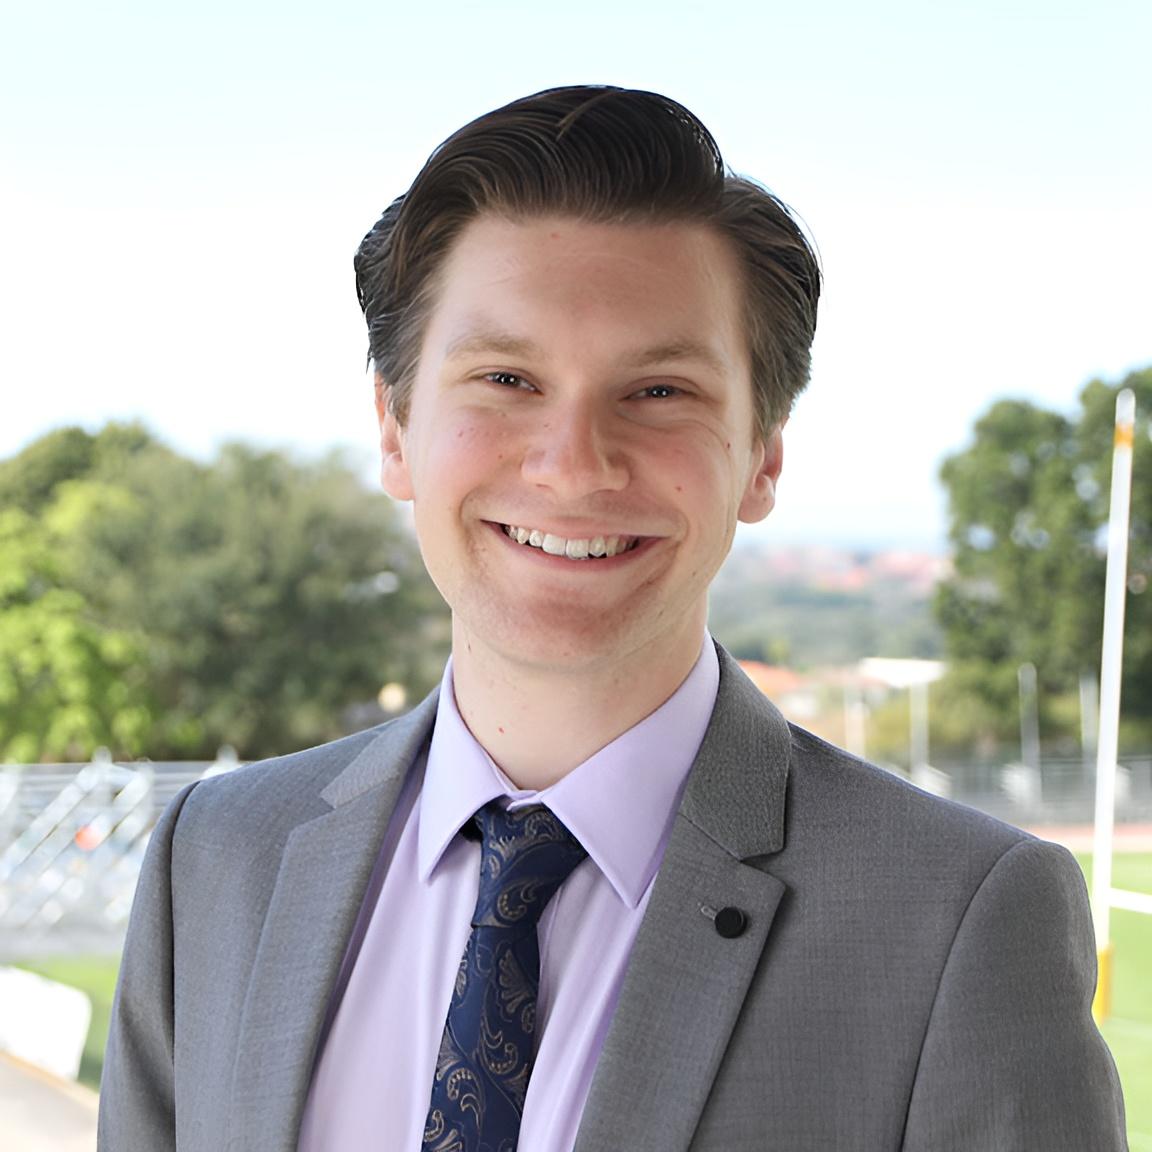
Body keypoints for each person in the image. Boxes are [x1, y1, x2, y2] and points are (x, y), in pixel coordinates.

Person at [98, 86, 1127, 1151]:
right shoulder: (214, 863)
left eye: (660, 392)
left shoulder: (960, 921)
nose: (573, 466)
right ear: (395, 426)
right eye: (506, 378)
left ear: (763, 453)